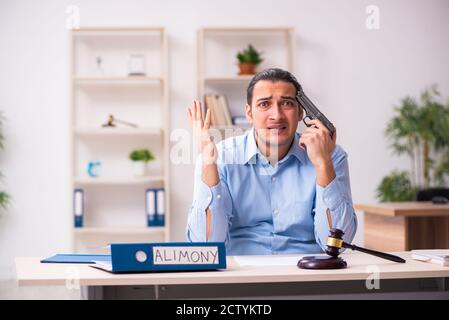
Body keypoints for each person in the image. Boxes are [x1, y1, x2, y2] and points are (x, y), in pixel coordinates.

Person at [186, 68, 357, 255]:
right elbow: (206, 246)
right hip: (241, 276)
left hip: (306, 275)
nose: (277, 115)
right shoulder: (220, 157)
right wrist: (208, 163)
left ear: (300, 112)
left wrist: (323, 163)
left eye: (287, 103)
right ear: (249, 113)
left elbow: (338, 245)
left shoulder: (331, 155)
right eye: (264, 104)